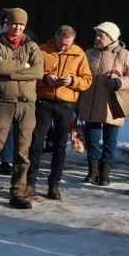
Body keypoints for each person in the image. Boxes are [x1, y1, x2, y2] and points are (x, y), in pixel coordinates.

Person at [0, 8, 44, 210]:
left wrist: (10, 69)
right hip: (3, 103)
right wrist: (24, 67)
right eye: (14, 23)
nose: (17, 27)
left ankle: (18, 193)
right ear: (7, 24)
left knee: (22, 152)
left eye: (21, 24)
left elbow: (38, 71)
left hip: (27, 105)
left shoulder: (32, 46)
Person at [26, 25, 92, 201]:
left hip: (66, 104)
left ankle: (54, 184)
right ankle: (30, 183)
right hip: (44, 102)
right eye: (61, 43)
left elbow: (87, 80)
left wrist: (72, 81)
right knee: (36, 143)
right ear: (54, 36)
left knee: (60, 146)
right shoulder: (42, 50)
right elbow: (32, 73)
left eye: (67, 44)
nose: (64, 47)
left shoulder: (79, 53)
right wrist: (46, 79)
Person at [76, 22, 129, 186]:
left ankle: (105, 174)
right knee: (92, 140)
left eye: (101, 35)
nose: (97, 38)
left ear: (112, 38)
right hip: (90, 104)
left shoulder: (124, 55)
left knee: (110, 141)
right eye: (97, 35)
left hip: (112, 105)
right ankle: (93, 171)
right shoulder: (88, 53)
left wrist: (119, 82)